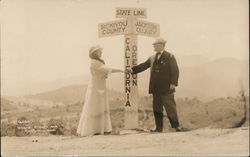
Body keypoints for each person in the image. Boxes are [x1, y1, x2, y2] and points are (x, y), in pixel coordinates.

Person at [127, 37, 182, 132]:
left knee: (170, 107)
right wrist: (132, 70)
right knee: (157, 108)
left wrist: (173, 83)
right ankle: (159, 128)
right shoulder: (152, 58)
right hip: (155, 87)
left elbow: (175, 71)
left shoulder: (170, 56)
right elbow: (144, 65)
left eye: (155, 45)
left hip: (167, 87)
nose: (154, 47)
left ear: (161, 45)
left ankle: (176, 126)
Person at [77, 45, 123, 136]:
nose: (101, 52)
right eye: (99, 51)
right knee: (95, 106)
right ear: (95, 53)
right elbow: (107, 70)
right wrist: (121, 70)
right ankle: (93, 130)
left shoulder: (98, 62)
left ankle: (100, 129)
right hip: (96, 87)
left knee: (99, 106)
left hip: (100, 86)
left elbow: (104, 72)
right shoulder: (94, 63)